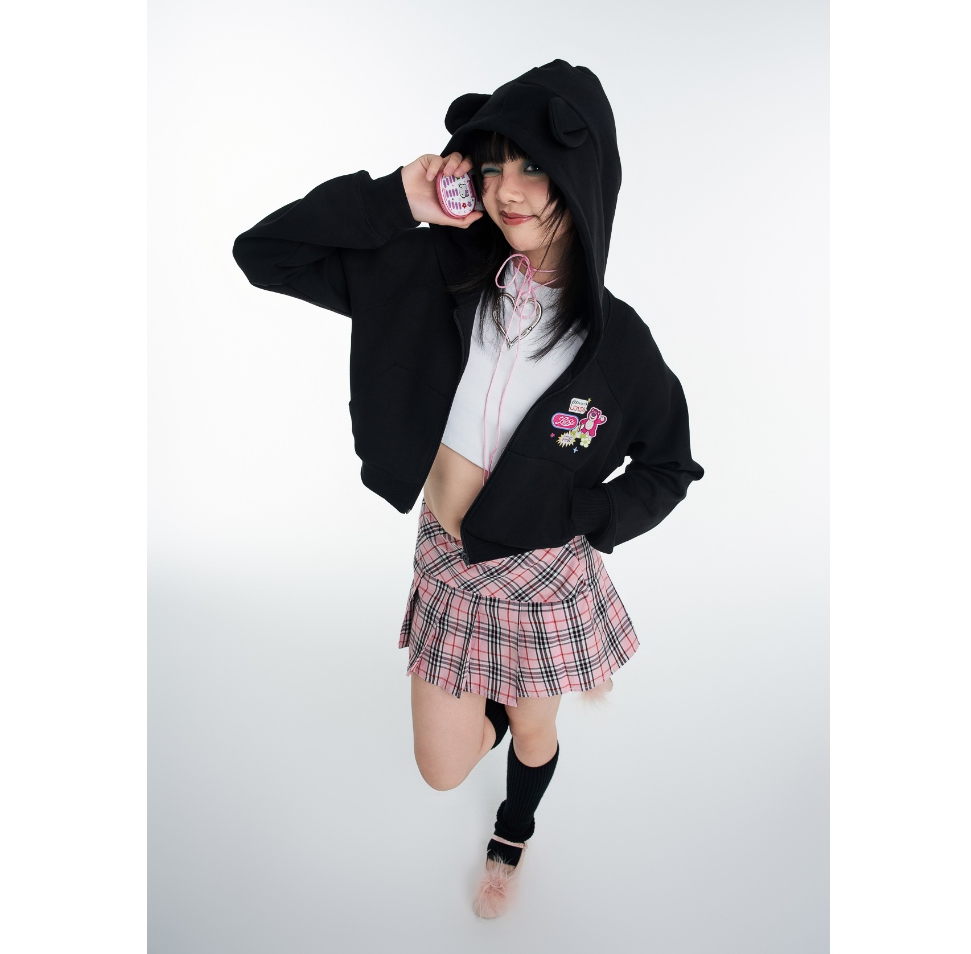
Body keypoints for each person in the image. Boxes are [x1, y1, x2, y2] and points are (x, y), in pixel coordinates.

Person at [232, 59, 704, 917]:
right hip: (447, 560)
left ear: (584, 178)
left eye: (533, 167)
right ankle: (513, 690)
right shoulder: (433, 275)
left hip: (540, 575)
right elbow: (263, 253)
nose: (506, 189)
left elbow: (670, 467)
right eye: (492, 166)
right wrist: (398, 199)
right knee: (442, 767)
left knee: (533, 729)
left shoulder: (620, 347)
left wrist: (586, 512)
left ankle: (513, 830)